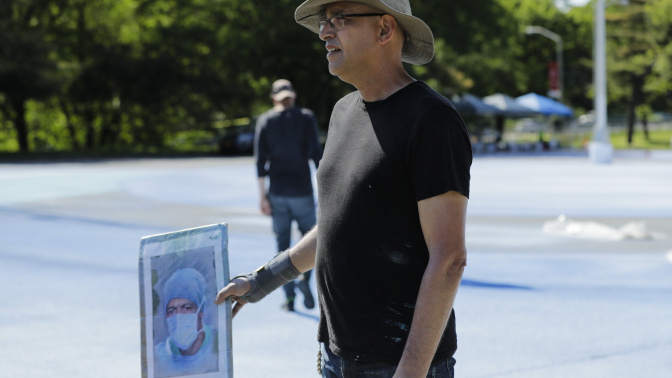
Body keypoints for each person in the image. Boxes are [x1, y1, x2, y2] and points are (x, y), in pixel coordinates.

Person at [216, 1, 472, 377]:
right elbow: (340, 225)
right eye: (324, 21)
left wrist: (411, 372)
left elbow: (449, 259)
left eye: (340, 20)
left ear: (385, 30)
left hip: (397, 366)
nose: (324, 32)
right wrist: (261, 281)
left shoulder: (432, 120)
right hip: (336, 358)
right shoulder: (342, 112)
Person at [254, 78, 323, 312]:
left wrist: (262, 196)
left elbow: (260, 162)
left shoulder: (265, 120)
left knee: (282, 247)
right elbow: (316, 155)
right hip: (302, 192)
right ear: (292, 96)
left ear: (274, 98)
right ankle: (305, 278)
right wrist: (324, 190)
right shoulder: (305, 117)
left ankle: (290, 298)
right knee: (312, 244)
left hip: (278, 194)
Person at [155, 268, 218, 377]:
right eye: (171, 311)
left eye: (187, 307)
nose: (178, 316)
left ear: (201, 311)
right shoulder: (159, 356)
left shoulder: (218, 345)